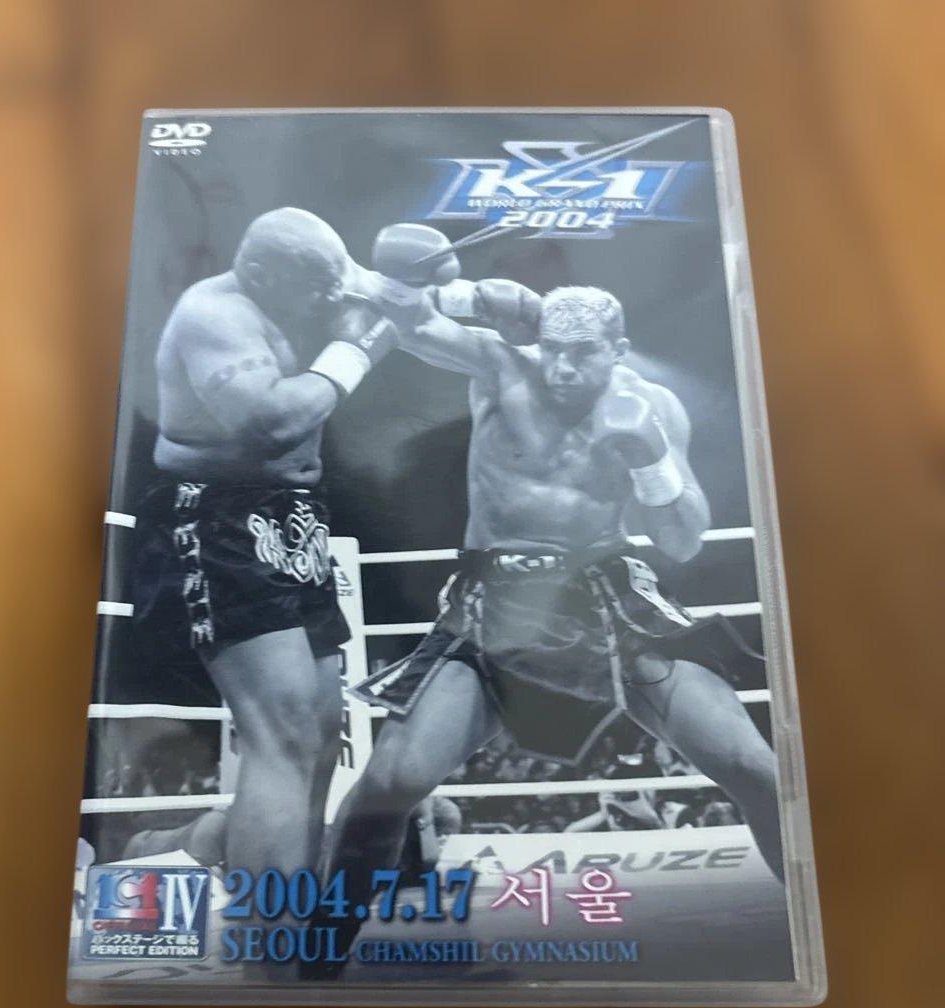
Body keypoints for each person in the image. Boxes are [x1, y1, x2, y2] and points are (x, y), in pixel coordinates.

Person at [327, 230, 784, 921]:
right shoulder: (501, 367)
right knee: (392, 781)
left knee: (753, 766)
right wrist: (427, 281)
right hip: (493, 598)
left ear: (618, 350)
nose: (563, 369)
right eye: (555, 350)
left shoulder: (655, 406)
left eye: (583, 353)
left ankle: (832, 921)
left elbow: (683, 539)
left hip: (607, 592)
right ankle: (319, 947)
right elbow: (413, 322)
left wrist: (652, 461)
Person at [132, 207, 399, 878]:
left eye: (334, 281)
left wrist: (483, 304)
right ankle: (264, 932)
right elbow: (272, 422)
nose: (331, 296)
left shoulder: (319, 280)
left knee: (322, 733)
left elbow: (412, 301)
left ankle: (289, 909)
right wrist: (354, 350)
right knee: (281, 733)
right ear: (260, 273)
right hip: (219, 517)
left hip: (297, 516)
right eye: (318, 286)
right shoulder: (214, 315)